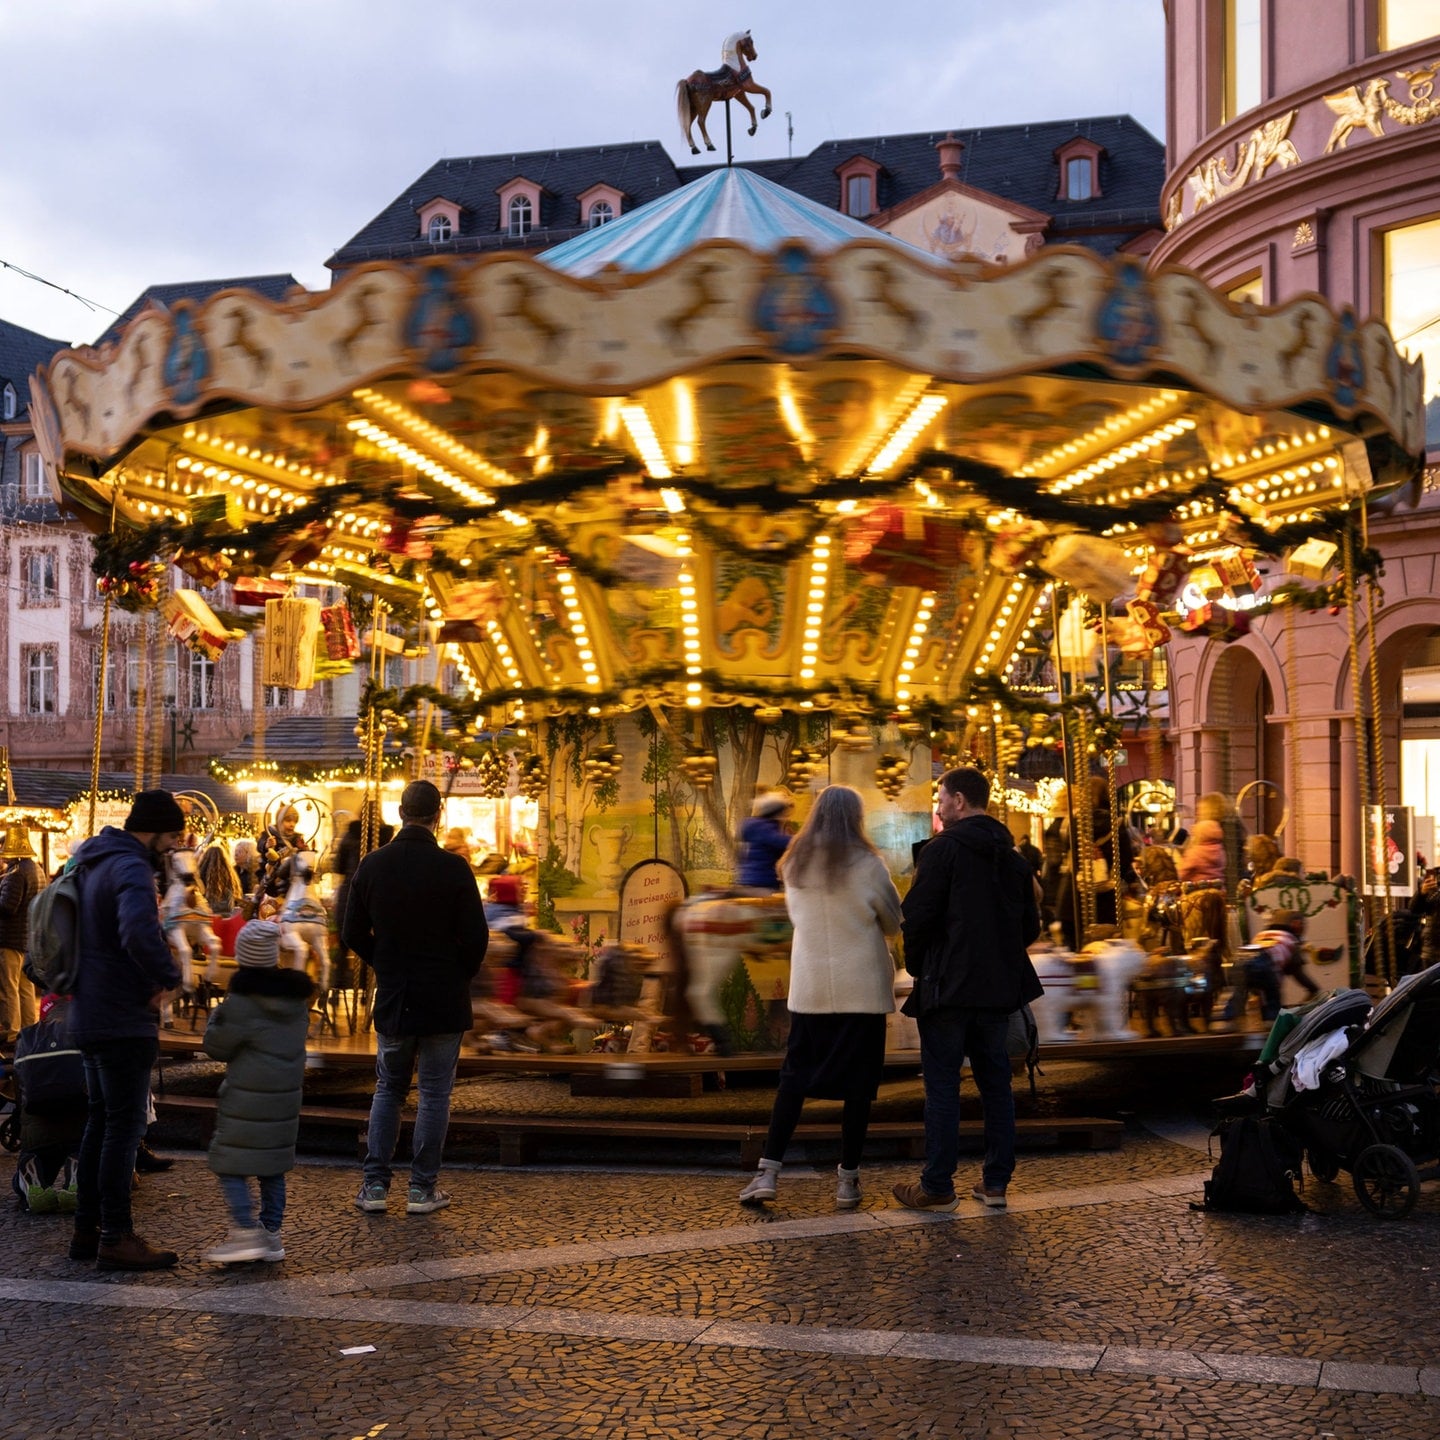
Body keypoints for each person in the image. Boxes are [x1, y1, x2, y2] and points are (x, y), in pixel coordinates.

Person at [738, 785, 901, 1210]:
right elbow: (893, 921)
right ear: (856, 818)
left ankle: (768, 1172)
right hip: (860, 990)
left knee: (793, 1080)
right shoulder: (869, 864)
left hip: (810, 989)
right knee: (858, 1088)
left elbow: (797, 919)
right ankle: (847, 1181)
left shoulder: (793, 863)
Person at [893, 767, 1042, 1212]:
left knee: (942, 1087)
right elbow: (1029, 927)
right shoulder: (1013, 859)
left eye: (940, 800)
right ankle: (995, 1183)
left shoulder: (943, 852)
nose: (938, 809)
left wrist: (921, 967)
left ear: (959, 800)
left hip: (948, 990)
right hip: (996, 992)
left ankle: (938, 1187)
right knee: (996, 1084)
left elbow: (916, 917)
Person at [343, 779, 487, 1216]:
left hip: (395, 995)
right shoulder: (454, 868)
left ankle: (374, 1186)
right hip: (443, 996)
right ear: (437, 815)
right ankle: (422, 1189)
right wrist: (458, 972)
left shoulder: (373, 865)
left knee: (388, 1089)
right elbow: (477, 937)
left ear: (400, 813)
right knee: (435, 1094)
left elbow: (351, 932)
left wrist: (385, 963)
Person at [67, 789, 186, 1271]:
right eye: (172, 834)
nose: (174, 844)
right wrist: (170, 975)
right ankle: (116, 1235)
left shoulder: (92, 860)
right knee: (123, 1127)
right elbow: (137, 932)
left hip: (89, 1010)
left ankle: (86, 1230)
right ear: (154, 829)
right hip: (121, 1015)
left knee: (101, 1121)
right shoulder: (131, 866)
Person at [201, 919, 314, 1264]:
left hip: (246, 1098)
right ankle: (271, 1236)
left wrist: (217, 1015)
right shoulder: (296, 1001)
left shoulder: (241, 1003)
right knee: (272, 1166)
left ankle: (245, 1232)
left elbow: (216, 1047)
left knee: (229, 1163)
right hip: (284, 1098)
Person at [0, 824, 44, 1044]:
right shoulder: (36, 869)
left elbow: (8, 906)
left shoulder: (16, 873)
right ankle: (29, 1029)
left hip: (10, 938)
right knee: (25, 988)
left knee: (9, 988)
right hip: (28, 938)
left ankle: (11, 1033)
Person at [735, 792, 793, 890]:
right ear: (776, 812)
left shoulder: (756, 826)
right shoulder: (764, 828)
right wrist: (799, 839)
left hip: (749, 878)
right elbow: (780, 842)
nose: (786, 817)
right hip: (761, 881)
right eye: (784, 813)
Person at [1178, 819, 1227, 884]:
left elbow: (1182, 873)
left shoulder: (1195, 852)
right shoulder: (1220, 850)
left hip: (1197, 890)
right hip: (1218, 889)